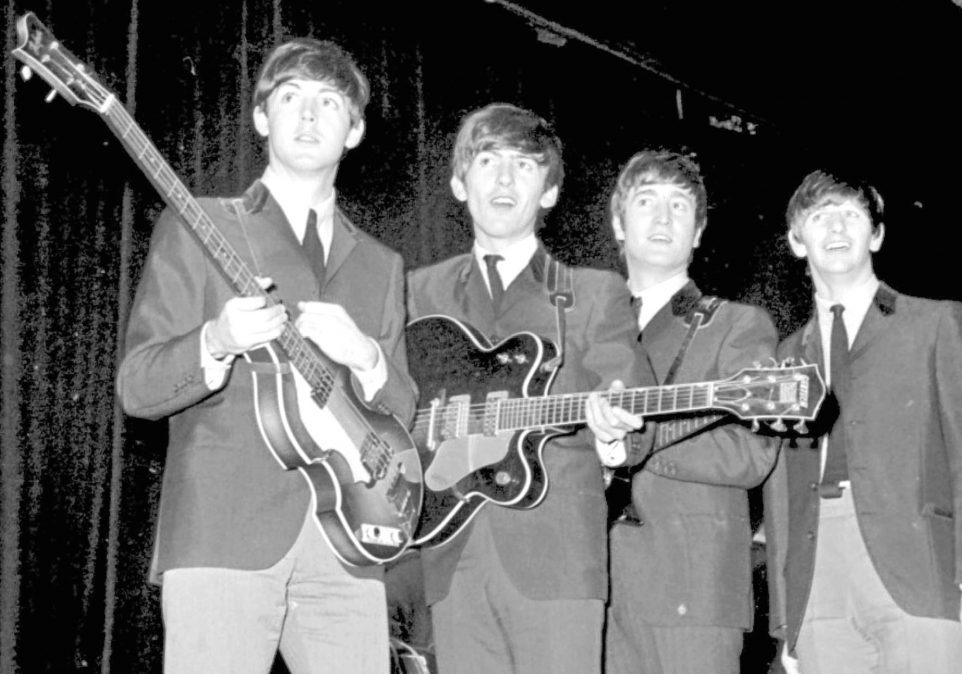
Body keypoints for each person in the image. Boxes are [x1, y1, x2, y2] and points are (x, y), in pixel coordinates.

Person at [116, 37, 417, 673]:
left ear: (355, 131)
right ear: (261, 118)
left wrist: (367, 358)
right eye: (290, 98)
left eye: (329, 102)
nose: (309, 116)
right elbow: (137, 387)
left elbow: (403, 409)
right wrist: (216, 341)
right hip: (225, 532)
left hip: (349, 543)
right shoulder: (201, 223)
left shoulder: (383, 266)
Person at [405, 102, 655, 674]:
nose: (503, 178)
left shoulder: (593, 293)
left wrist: (613, 435)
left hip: (558, 561)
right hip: (451, 554)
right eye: (487, 161)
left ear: (549, 192)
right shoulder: (415, 293)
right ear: (458, 183)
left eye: (524, 165)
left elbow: (628, 394)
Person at [763, 169, 962, 674]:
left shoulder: (938, 323)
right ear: (795, 241)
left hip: (921, 569)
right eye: (819, 216)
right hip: (818, 581)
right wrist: (787, 620)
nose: (836, 227)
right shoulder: (784, 357)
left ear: (876, 235)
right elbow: (780, 493)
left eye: (851, 215)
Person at [602, 150, 780, 674]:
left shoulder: (735, 325)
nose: (662, 218)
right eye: (646, 202)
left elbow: (751, 451)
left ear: (699, 232)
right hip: (585, 592)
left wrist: (636, 444)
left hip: (691, 592)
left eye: (679, 206)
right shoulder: (582, 329)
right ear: (618, 222)